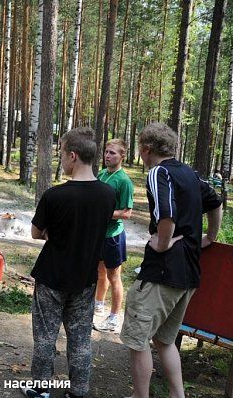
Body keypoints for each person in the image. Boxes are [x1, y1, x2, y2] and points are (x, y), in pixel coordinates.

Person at [121, 123, 222, 398]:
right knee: (164, 340)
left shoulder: (158, 172)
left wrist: (162, 243)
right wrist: (210, 237)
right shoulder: (189, 173)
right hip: (189, 272)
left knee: (138, 340)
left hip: (162, 272)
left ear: (146, 149)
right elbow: (216, 203)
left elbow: (166, 215)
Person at [22, 127, 116, 398]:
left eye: (62, 154)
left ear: (73, 156)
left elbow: (36, 233)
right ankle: (79, 390)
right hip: (85, 278)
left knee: (44, 336)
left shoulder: (55, 195)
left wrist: (54, 231)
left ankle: (41, 389)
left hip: (52, 277)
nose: (61, 160)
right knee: (80, 338)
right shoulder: (108, 195)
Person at [93, 138, 134, 332]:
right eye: (107, 152)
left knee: (114, 276)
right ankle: (98, 304)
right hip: (98, 234)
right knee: (99, 272)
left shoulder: (124, 181)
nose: (108, 156)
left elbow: (126, 212)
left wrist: (103, 214)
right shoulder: (102, 173)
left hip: (113, 236)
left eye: (113, 153)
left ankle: (114, 316)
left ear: (122, 156)